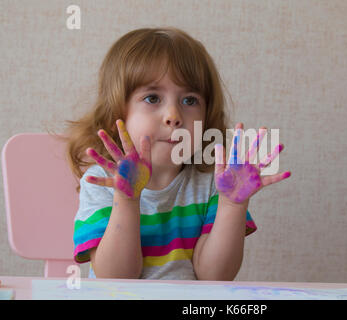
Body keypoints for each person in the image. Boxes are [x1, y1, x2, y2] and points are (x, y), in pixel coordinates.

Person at [63, 27, 291, 280]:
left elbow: (215, 277)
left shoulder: (212, 183)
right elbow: (115, 279)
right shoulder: (103, 183)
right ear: (118, 113)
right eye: (152, 98)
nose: (173, 116)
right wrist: (126, 201)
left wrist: (231, 205)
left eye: (190, 100)